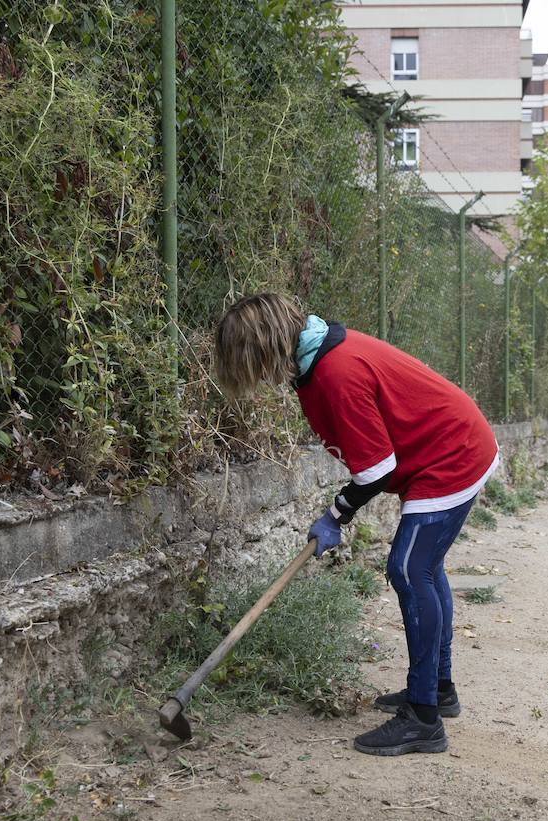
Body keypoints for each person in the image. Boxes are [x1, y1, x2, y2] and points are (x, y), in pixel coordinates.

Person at [213, 293, 499, 756]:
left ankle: (424, 720)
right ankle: (438, 692)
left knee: (409, 570)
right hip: (440, 449)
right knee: (424, 568)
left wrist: (334, 517)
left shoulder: (336, 371)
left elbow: (377, 469)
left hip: (451, 453)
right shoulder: (316, 360)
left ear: (261, 347)